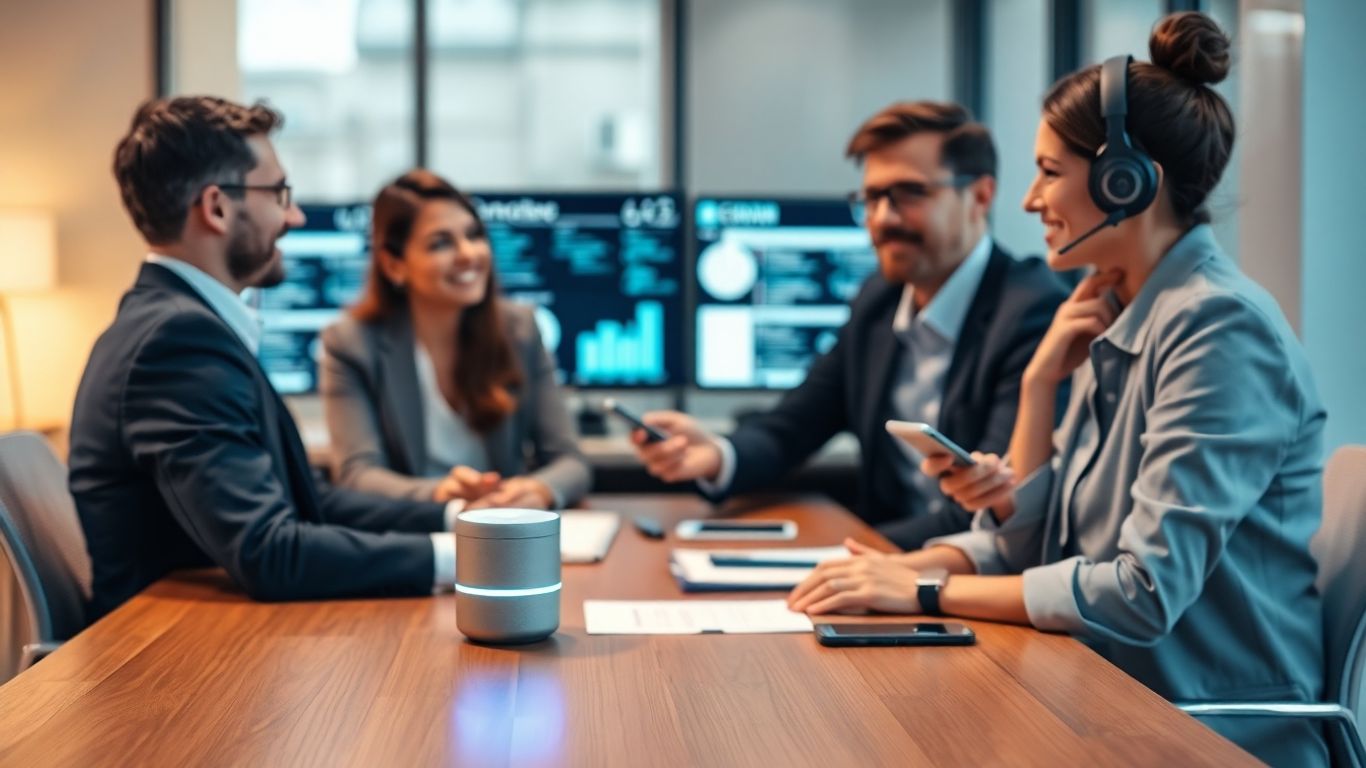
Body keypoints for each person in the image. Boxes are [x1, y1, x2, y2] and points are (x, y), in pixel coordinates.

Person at [787, 13, 1326, 766]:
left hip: (1201, 730)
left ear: (1125, 182)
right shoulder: (1121, 313)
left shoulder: (1217, 328)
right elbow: (1043, 547)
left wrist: (926, 594)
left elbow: (1140, 592)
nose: (1029, 202)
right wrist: (1041, 384)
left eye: (1048, 172)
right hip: (1100, 696)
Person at [68, 97, 458, 621]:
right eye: (279, 192)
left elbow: (306, 500)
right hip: (167, 666)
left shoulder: (183, 325)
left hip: (209, 640)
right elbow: (269, 552)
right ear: (217, 208)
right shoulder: (177, 343)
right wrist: (466, 559)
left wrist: (456, 519)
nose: (293, 215)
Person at [631, 102, 1068, 549]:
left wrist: (840, 554)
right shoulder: (877, 302)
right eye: (872, 198)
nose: (882, 219)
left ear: (980, 195)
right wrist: (716, 456)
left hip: (963, 571)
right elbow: (793, 425)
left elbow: (991, 505)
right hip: (880, 566)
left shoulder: (1031, 314)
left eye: (908, 194)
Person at [319, 169, 591, 510]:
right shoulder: (352, 343)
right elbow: (356, 475)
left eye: (474, 235)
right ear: (394, 266)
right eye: (441, 243)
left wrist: (538, 491)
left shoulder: (520, 329)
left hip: (503, 532)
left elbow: (571, 462)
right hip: (412, 538)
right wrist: (441, 495)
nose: (469, 254)